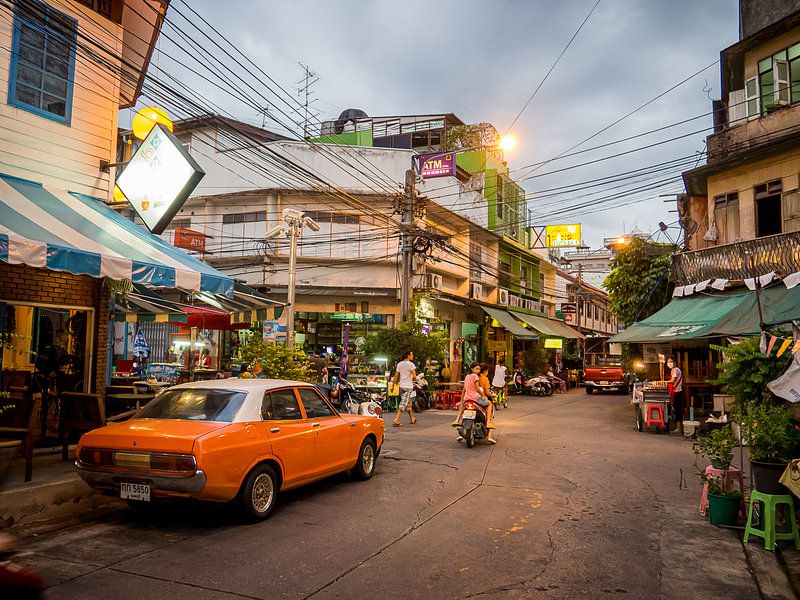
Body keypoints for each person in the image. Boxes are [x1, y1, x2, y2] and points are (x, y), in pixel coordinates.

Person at [453, 362, 495, 443]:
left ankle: (457, 419)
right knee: (489, 403)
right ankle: (488, 422)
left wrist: (462, 401)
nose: (478, 370)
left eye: (479, 369)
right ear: (472, 369)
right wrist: (483, 396)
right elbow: (477, 389)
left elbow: (464, 390)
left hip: (467, 398)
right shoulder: (476, 376)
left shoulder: (467, 376)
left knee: (463, 408)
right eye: (476, 369)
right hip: (476, 398)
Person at [391, 350, 417, 427]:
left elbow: (396, 376)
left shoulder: (399, 364)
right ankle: (396, 419)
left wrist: (392, 386)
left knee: (408, 403)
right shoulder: (411, 364)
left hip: (401, 386)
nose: (412, 356)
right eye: (412, 355)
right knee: (403, 403)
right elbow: (414, 376)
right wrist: (412, 380)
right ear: (408, 356)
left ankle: (412, 418)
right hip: (408, 386)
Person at [667, 356, 684, 435]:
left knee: (678, 410)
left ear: (674, 362)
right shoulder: (673, 370)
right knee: (677, 410)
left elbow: (673, 381)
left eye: (671, 362)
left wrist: (664, 382)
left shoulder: (675, 370)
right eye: (668, 362)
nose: (669, 363)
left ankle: (679, 429)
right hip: (677, 391)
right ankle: (679, 428)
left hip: (677, 392)